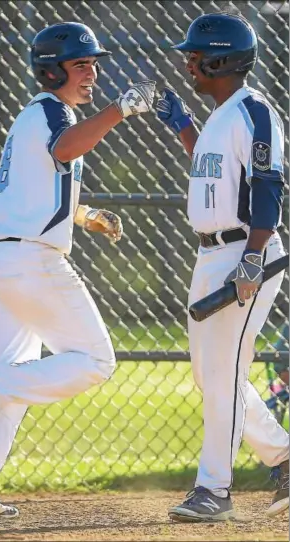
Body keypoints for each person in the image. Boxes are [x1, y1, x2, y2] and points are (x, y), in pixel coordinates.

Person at [0, 22, 155, 519]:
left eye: (94, 63)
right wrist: (120, 110)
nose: (92, 72)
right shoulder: (51, 111)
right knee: (96, 361)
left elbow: (35, 184)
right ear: (50, 71)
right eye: (80, 64)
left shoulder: (39, 117)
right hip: (29, 261)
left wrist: (84, 215)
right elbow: (66, 149)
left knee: (19, 378)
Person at [156, 12, 289, 522]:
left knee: (226, 370)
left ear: (221, 58)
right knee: (210, 377)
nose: (188, 62)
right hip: (211, 253)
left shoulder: (255, 111)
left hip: (245, 253)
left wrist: (253, 256)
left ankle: (214, 489)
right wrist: (182, 125)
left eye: (195, 55)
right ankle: (283, 457)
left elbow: (267, 185)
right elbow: (212, 174)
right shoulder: (220, 114)